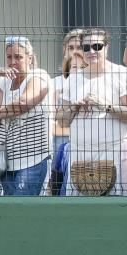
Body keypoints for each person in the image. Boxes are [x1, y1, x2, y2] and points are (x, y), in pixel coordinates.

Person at [57, 28, 127, 196]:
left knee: (119, 209)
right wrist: (74, 108)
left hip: (115, 154)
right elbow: (62, 120)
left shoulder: (122, 74)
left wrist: (107, 106)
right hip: (81, 157)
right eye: (86, 47)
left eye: (97, 46)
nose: (92, 51)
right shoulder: (73, 79)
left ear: (107, 47)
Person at [0, 37, 51, 196]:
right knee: (10, 212)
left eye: (18, 57)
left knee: (22, 210)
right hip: (7, 162)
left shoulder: (39, 76)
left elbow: (23, 103)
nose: (13, 62)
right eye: (9, 57)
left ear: (30, 58)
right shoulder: (4, 82)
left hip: (32, 161)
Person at [51, 29, 84, 194]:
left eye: (79, 47)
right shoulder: (53, 84)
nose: (75, 52)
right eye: (71, 47)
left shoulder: (90, 82)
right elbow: (51, 119)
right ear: (64, 50)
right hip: (56, 141)